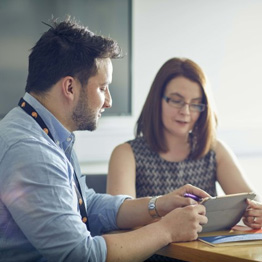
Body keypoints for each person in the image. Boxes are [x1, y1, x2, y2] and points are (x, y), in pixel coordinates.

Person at [0, 18, 210, 262]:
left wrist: (158, 206)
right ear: (69, 87)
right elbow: (80, 255)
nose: (109, 101)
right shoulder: (32, 151)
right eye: (102, 88)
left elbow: (86, 204)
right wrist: (167, 229)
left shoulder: (43, 131)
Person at [107, 57, 262, 230]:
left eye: (195, 104)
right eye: (176, 100)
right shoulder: (126, 154)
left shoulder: (214, 150)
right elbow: (120, 220)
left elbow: (252, 203)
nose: (185, 111)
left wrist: (255, 214)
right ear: (157, 100)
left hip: (206, 255)